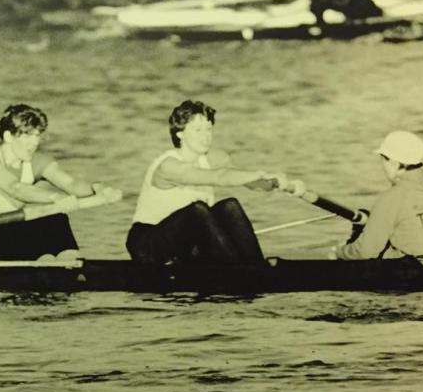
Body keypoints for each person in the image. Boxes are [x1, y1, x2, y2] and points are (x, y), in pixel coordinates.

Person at [125, 100, 302, 267]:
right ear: (180, 133)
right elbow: (220, 177)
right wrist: (260, 173)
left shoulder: (214, 158)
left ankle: (255, 267)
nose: (206, 137)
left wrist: (274, 182)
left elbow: (251, 183)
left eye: (209, 129)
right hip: (148, 246)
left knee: (230, 206)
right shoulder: (169, 166)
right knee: (198, 210)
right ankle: (241, 273)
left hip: (187, 245)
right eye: (198, 130)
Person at [0, 104, 120, 261]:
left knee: (55, 216)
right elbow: (15, 188)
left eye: (37, 136)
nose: (34, 143)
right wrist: (55, 198)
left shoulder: (37, 161)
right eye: (27, 136)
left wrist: (99, 188)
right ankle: (45, 264)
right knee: (50, 209)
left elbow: (72, 185)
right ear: (8, 136)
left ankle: (69, 262)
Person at [329, 131, 423, 260]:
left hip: (416, 271)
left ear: (394, 163)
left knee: (358, 247)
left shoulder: (392, 197)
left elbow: (366, 251)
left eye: (383, 160)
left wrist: (339, 252)